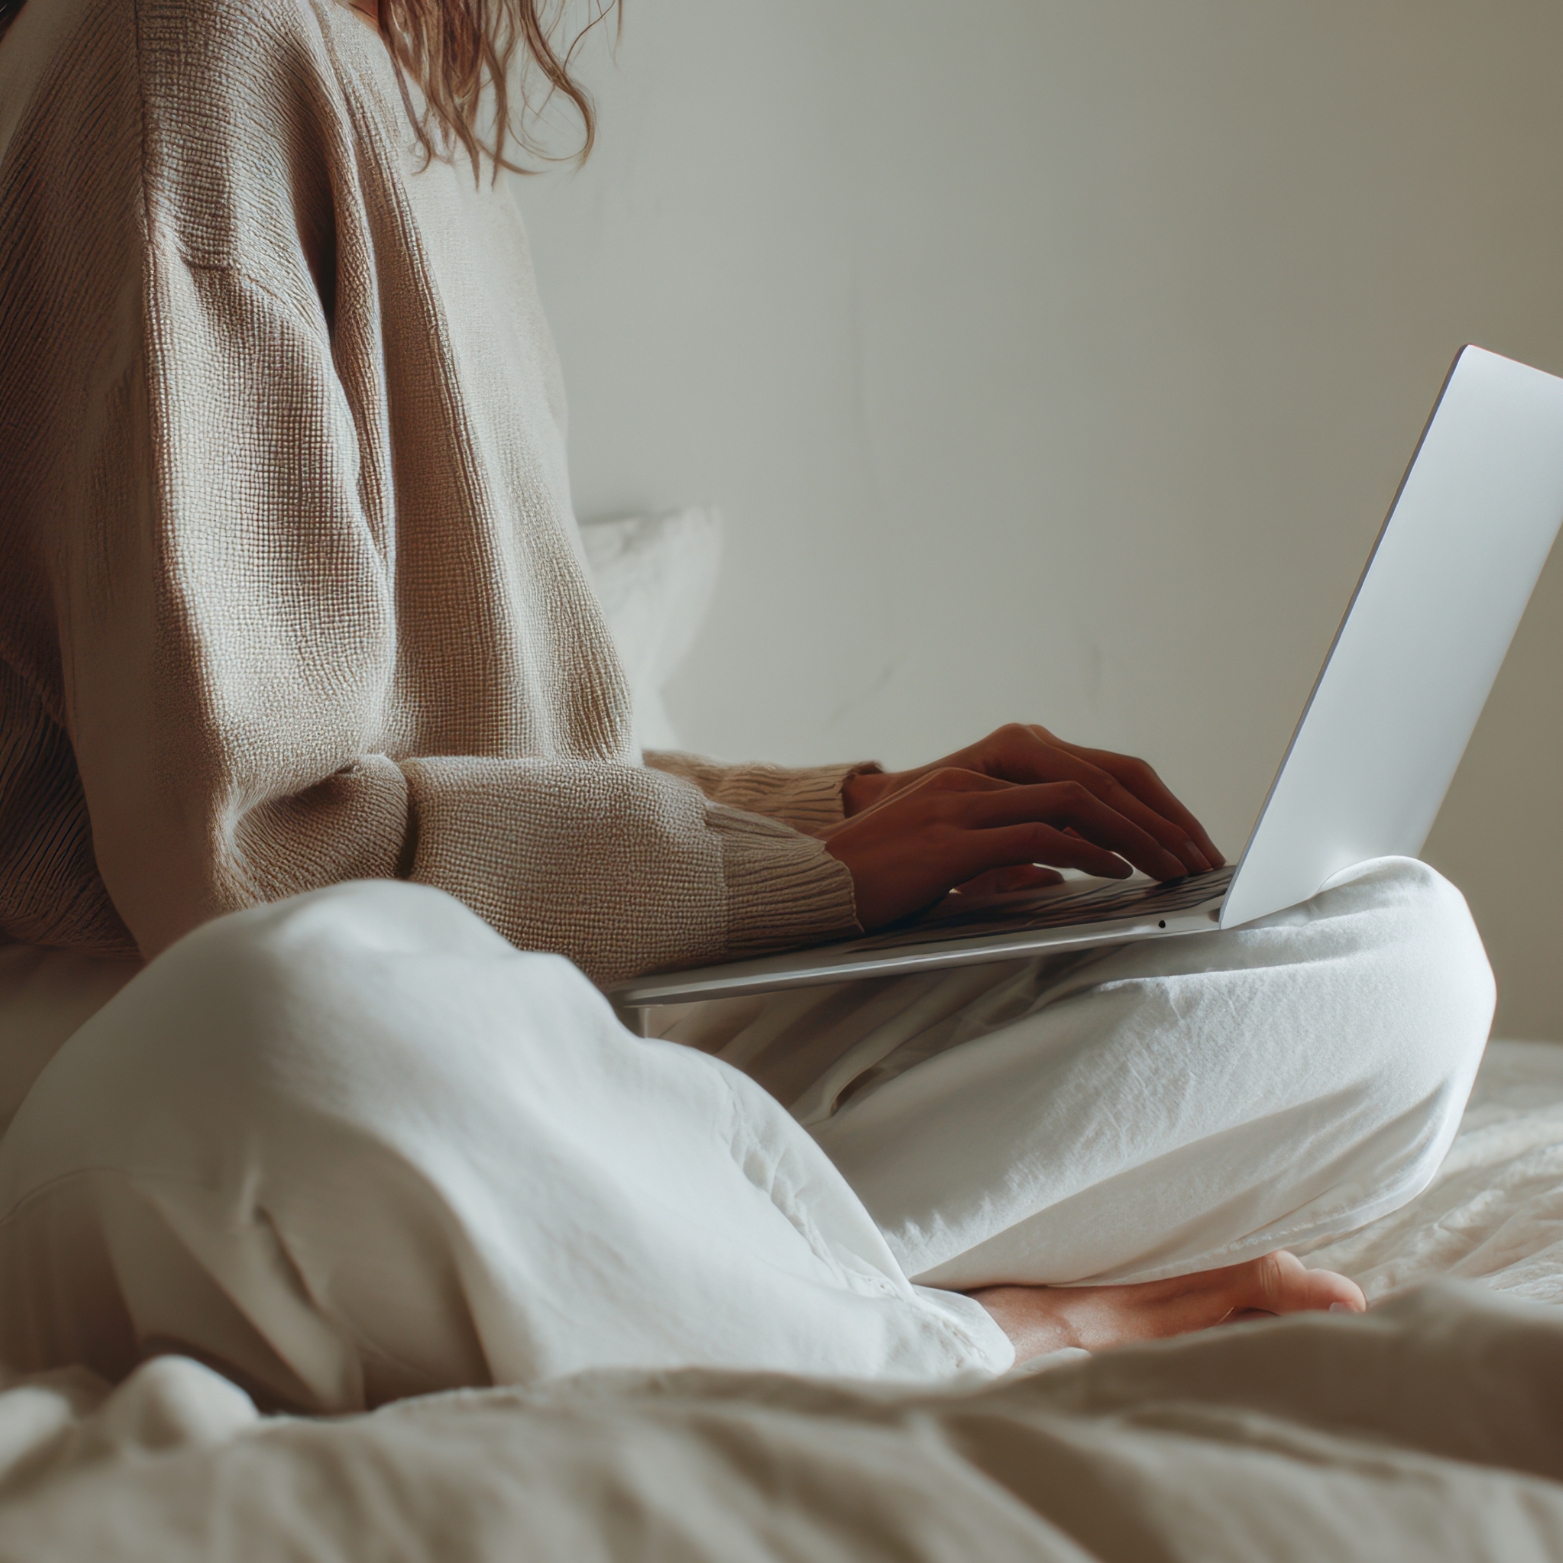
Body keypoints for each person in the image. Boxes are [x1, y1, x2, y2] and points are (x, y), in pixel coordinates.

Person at [0, 0, 1494, 1409]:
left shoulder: (428, 102)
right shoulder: (184, 43)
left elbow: (518, 760)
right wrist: (801, 877)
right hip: (166, 1025)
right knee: (312, 1026)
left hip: (560, 1005)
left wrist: (838, 816)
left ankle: (653, 1258)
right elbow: (246, 867)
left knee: (1392, 958)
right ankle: (971, 1338)